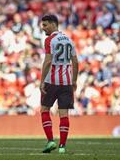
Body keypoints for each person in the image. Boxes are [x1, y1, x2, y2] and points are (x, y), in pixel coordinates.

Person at [39, 14, 78, 154]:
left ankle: (50, 141)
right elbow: (75, 61)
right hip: (67, 83)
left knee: (44, 110)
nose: (43, 28)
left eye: (45, 25)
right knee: (64, 114)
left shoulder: (49, 40)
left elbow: (48, 61)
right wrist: (74, 80)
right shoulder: (69, 40)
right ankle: (62, 146)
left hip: (52, 82)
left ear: (53, 24)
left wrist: (42, 81)